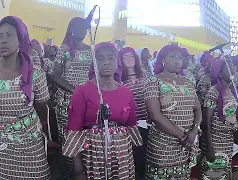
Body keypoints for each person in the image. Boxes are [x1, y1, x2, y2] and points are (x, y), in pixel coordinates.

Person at [62, 42, 137, 180]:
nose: (106, 63)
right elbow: (74, 130)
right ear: (94, 63)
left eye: (111, 58)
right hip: (93, 155)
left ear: (117, 62)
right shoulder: (82, 91)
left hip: (121, 157)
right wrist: (79, 171)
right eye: (100, 58)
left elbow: (131, 125)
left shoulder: (126, 92)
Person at [0, 16, 51, 179]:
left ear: (20, 39)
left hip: (29, 143)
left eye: (9, 35)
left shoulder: (34, 72)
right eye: (0, 36)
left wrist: (24, 125)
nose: (3, 40)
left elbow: (42, 105)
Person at [144, 44, 202, 179]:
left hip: (186, 143)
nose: (177, 61)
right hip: (162, 145)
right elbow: (155, 115)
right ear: (162, 60)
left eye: (180, 58)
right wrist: (182, 136)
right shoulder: (153, 81)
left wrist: (194, 130)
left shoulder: (187, 82)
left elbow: (198, 109)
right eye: (172, 57)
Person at [52, 17, 92, 179]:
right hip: (66, 99)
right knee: (66, 136)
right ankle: (66, 172)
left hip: (87, 100)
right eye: (79, 27)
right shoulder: (64, 49)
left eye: (85, 28)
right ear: (72, 29)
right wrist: (76, 91)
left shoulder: (91, 50)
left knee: (85, 135)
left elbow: (93, 74)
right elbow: (55, 76)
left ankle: (83, 171)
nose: (82, 31)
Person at [199, 58, 238, 180]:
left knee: (223, 173)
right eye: (229, 68)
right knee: (212, 174)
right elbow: (207, 122)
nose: (233, 70)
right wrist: (210, 147)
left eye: (233, 68)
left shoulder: (230, 91)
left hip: (227, 140)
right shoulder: (213, 92)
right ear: (220, 73)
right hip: (215, 141)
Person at [119, 47, 146, 178]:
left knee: (147, 149)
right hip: (132, 122)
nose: (129, 59)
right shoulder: (120, 80)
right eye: (125, 57)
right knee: (136, 151)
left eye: (131, 56)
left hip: (148, 120)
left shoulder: (144, 74)